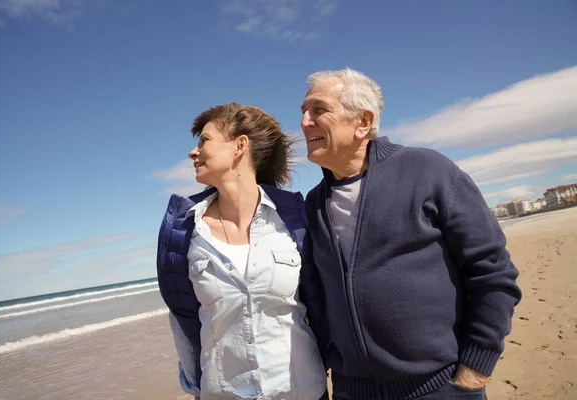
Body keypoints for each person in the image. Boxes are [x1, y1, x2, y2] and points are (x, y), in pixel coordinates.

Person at [299, 68, 522, 400]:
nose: (305, 122)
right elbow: (315, 298)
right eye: (303, 112)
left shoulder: (429, 170)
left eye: (319, 110)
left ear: (363, 121)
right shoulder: (313, 203)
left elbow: (493, 272)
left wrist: (477, 365)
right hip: (351, 391)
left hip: (439, 387)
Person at [156, 102, 327, 400]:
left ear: (240, 146)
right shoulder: (182, 230)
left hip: (302, 391)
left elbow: (323, 304)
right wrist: (196, 388)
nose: (193, 153)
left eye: (204, 141)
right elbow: (183, 319)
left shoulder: (295, 218)